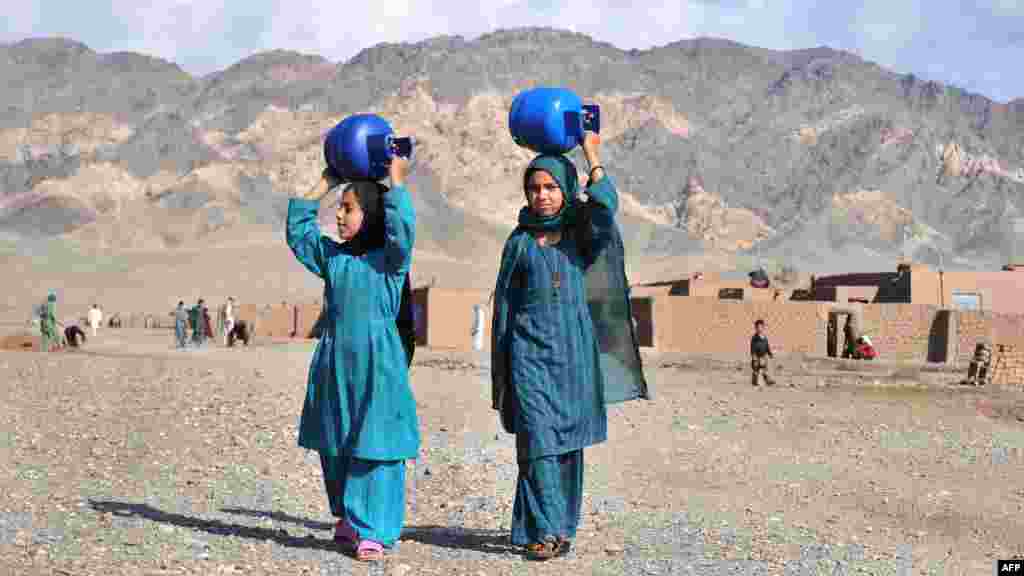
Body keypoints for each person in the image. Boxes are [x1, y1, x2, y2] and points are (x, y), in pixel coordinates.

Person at [490, 131, 649, 560]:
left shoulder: (582, 236)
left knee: (565, 447)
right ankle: (545, 531)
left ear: (565, 190)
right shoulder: (519, 242)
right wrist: (503, 374)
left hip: (574, 358)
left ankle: (555, 528)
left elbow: (606, 205)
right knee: (539, 441)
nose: (541, 196)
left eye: (550, 187)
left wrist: (591, 153)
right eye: (534, 188)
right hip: (528, 359)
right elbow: (504, 310)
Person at [286, 155, 417, 562]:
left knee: (375, 443)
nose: (339, 216)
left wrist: (396, 183)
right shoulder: (335, 259)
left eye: (348, 208)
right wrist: (323, 184)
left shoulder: (391, 263)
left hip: (379, 365)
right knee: (336, 440)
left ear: (372, 214)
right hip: (335, 363)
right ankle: (349, 515)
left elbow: (403, 232)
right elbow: (299, 234)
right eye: (338, 208)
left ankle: (374, 528)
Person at [750, 319, 776, 387]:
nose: (759, 329)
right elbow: (752, 347)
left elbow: (767, 346)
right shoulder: (754, 338)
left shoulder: (764, 337)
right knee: (756, 370)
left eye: (761, 327)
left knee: (765, 370)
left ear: (763, 327)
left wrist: (770, 353)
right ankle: (754, 381)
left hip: (763, 356)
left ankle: (768, 381)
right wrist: (753, 356)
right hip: (756, 356)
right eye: (757, 327)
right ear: (755, 328)